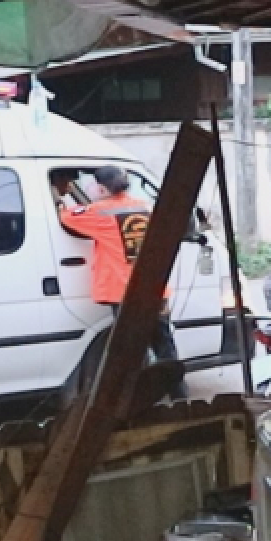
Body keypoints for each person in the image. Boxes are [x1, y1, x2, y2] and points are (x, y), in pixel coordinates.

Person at [58, 164, 183, 395]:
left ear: (103, 189)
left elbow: (66, 218)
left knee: (130, 351)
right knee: (164, 346)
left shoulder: (99, 212)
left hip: (125, 293)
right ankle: (180, 398)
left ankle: (134, 400)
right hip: (154, 287)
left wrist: (62, 195)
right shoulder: (144, 206)